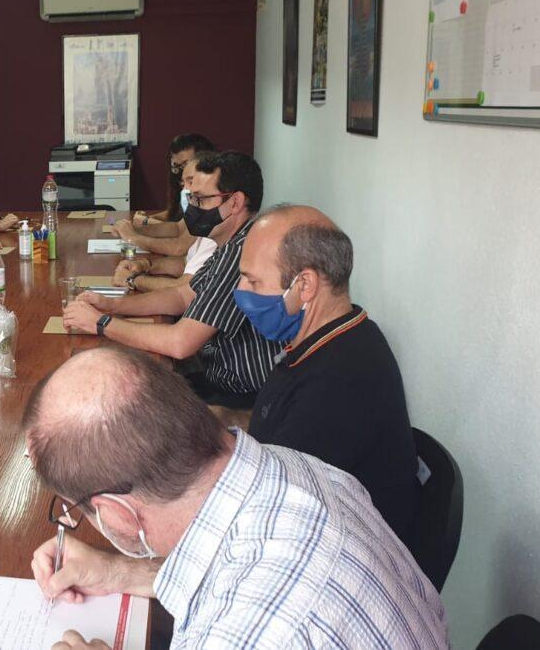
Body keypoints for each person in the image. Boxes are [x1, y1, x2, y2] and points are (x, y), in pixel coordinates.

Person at [24, 347, 449, 649]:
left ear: (118, 513)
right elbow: (219, 568)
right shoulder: (293, 467)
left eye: (77, 511)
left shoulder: (241, 635)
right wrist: (118, 572)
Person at [236, 204, 418, 546]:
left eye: (253, 280)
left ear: (304, 286)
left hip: (332, 552)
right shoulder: (335, 336)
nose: (241, 291)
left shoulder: (344, 381)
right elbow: (276, 425)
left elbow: (273, 509)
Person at [63, 151, 282, 409]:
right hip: (213, 375)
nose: (193, 207)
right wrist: (112, 305)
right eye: (191, 198)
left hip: (238, 396)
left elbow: (181, 343)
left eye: (200, 199)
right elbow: (182, 296)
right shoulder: (229, 242)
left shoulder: (244, 252)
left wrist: (101, 323)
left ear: (234, 203)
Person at [110, 153, 218, 293]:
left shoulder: (217, 231)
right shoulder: (204, 220)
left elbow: (185, 286)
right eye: (183, 183)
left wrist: (133, 279)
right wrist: (146, 265)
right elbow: (185, 262)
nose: (186, 190)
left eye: (191, 182)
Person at [134, 132, 216, 225]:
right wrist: (148, 218)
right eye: (177, 166)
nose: (181, 172)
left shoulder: (211, 189)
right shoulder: (180, 181)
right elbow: (177, 213)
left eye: (186, 164)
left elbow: (184, 231)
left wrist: (145, 222)